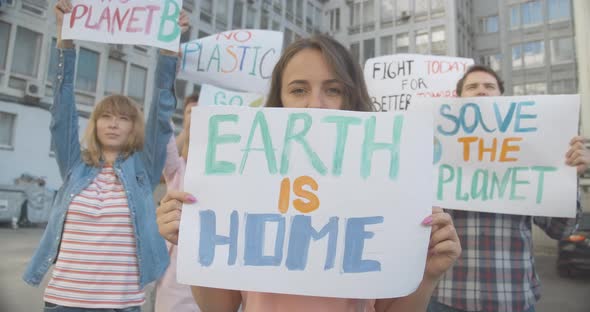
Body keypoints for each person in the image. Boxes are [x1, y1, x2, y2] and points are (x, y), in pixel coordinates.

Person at [156, 35, 462, 312]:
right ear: (280, 100)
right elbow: (219, 307)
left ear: (351, 98)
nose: (315, 104)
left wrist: (427, 276)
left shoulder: (388, 185)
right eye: (299, 89)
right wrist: (193, 243)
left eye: (333, 90)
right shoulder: (241, 183)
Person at [22, 1, 189, 311]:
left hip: (121, 305)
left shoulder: (145, 168)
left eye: (123, 118)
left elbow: (162, 107)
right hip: (63, 302)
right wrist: (65, 37)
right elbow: (62, 107)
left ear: (133, 127)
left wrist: (169, 48)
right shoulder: (75, 165)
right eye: (106, 116)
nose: (113, 123)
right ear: (95, 123)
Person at [428, 65, 589, 312]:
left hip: (513, 298)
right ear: (458, 100)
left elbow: (561, 229)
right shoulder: (434, 150)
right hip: (445, 297)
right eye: (472, 87)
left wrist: (567, 176)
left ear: (503, 99)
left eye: (489, 87)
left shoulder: (531, 151)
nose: (481, 91)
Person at [154, 94, 201, 312]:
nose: (197, 115)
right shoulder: (177, 168)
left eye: (202, 109)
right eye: (191, 111)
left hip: (213, 263)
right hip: (176, 267)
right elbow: (162, 134)